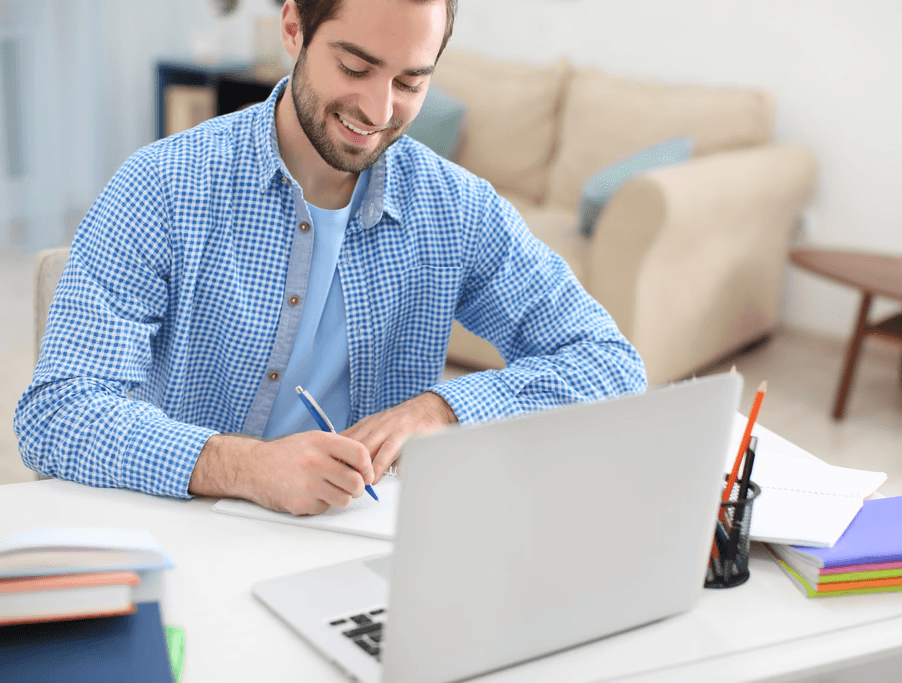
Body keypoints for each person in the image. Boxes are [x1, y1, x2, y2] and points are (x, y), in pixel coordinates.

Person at [14, 0, 645, 516]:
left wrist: (443, 408)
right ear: (294, 29)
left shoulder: (457, 208)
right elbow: (58, 412)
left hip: (362, 543)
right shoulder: (162, 188)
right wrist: (248, 468)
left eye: (410, 82)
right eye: (355, 67)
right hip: (186, 528)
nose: (378, 111)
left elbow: (610, 364)